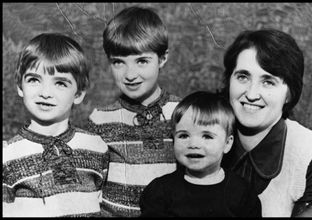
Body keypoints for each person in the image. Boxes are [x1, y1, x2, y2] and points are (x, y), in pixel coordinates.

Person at [86, 6, 180, 217]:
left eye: (142, 61)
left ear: (162, 59)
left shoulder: (182, 112)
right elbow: (91, 186)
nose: (130, 74)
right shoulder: (100, 119)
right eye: (118, 62)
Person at [2, 33, 109, 217]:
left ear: (79, 94)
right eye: (34, 80)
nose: (45, 92)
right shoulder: (8, 154)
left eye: (60, 83)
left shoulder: (96, 146)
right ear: (20, 86)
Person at [221, 29, 312, 217]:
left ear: (289, 93)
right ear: (229, 81)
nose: (251, 94)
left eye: (268, 82)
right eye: (243, 77)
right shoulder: (203, 137)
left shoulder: (310, 153)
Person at [139, 91, 262, 217]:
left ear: (227, 143)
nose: (193, 144)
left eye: (207, 136)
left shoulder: (242, 193)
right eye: (184, 135)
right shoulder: (160, 191)